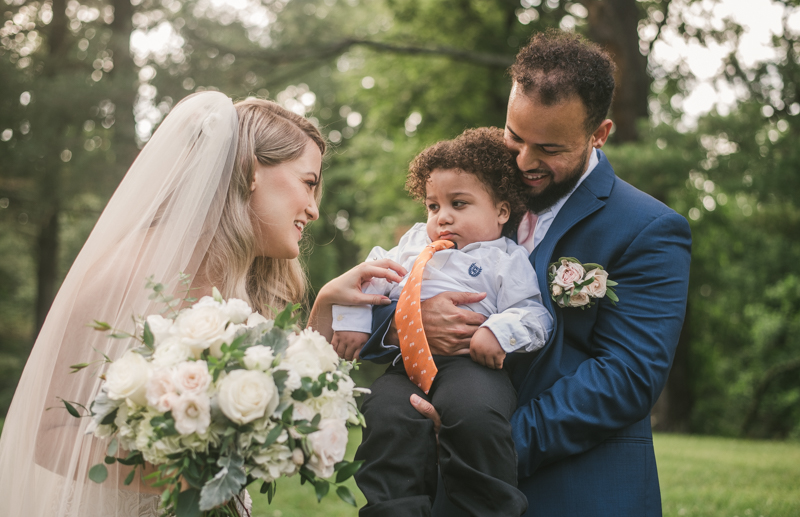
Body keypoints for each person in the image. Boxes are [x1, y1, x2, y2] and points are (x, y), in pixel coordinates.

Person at [0, 92, 396, 517]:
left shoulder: (245, 281)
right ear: (250, 171)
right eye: (308, 182)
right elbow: (52, 433)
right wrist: (190, 479)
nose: (314, 210)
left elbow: (278, 398)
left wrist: (323, 310)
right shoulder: (127, 273)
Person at [360, 30, 692, 516]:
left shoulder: (649, 229)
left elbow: (627, 376)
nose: (523, 160)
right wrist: (413, 318)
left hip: (577, 490)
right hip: (448, 492)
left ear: (598, 134)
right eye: (514, 136)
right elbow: (392, 289)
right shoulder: (472, 199)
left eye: (550, 148)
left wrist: (482, 439)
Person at [329, 127, 553, 516]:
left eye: (459, 204)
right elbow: (365, 278)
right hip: (407, 367)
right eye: (433, 206)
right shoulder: (413, 243)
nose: (442, 217)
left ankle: (486, 507)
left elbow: (535, 315)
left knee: (474, 415)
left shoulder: (505, 258)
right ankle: (394, 508)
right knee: (385, 413)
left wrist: (497, 331)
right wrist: (352, 320)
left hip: (471, 365)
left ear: (501, 211)